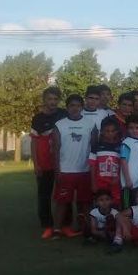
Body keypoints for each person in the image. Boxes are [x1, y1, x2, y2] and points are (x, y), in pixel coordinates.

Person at [52, 94, 94, 238]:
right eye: (72, 106)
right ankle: (57, 229)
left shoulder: (90, 124)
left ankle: (86, 228)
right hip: (65, 170)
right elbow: (55, 150)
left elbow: (94, 147)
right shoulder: (59, 125)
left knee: (85, 202)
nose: (75, 108)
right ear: (67, 107)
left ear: (82, 107)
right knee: (62, 201)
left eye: (78, 105)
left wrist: (92, 168)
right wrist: (57, 170)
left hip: (84, 169)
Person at [31, 87, 67, 239]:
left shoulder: (63, 114)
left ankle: (64, 226)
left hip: (62, 163)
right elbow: (33, 143)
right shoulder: (38, 118)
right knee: (44, 196)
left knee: (64, 195)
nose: (52, 102)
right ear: (44, 100)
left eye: (55, 99)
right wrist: (36, 164)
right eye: (49, 99)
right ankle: (47, 226)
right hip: (44, 164)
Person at [89, 117, 122, 207]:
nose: (110, 134)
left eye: (113, 131)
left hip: (115, 183)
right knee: (100, 207)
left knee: (115, 207)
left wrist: (118, 178)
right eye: (107, 131)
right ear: (102, 131)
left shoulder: (120, 146)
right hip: (100, 183)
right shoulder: (96, 146)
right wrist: (93, 183)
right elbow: (92, 165)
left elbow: (122, 165)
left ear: (116, 132)